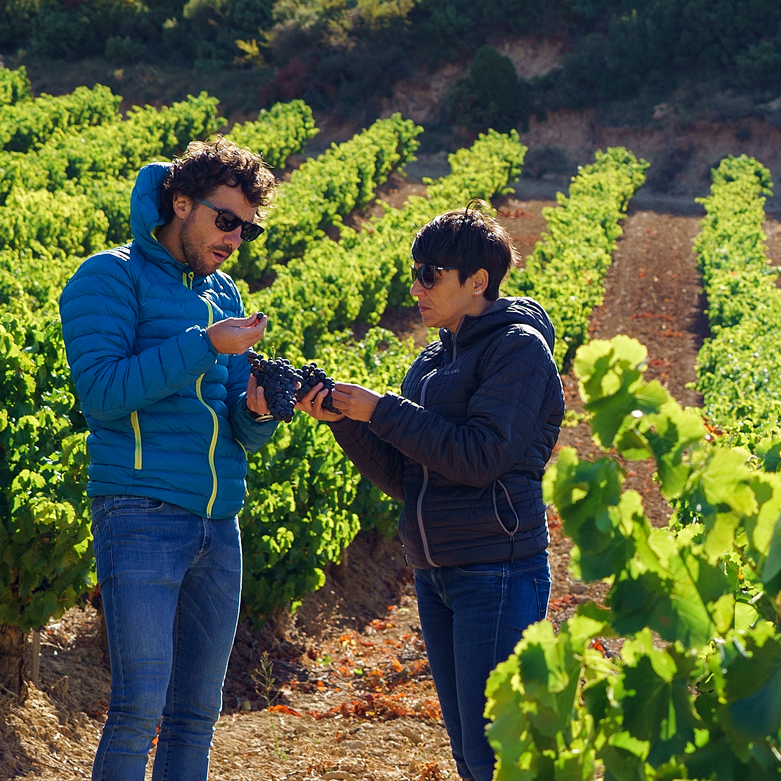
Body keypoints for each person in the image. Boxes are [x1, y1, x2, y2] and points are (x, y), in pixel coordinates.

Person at [297, 206, 563, 781]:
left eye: (430, 275)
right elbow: (404, 476)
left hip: (497, 569)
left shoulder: (517, 351)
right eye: (414, 272)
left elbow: (478, 457)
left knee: (497, 757)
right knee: (469, 755)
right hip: (438, 571)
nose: (415, 288)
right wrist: (345, 420)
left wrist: (383, 409)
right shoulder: (434, 358)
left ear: (477, 282)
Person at [59, 138, 281, 781]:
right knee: (138, 709)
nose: (236, 239)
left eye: (248, 227)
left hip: (219, 522)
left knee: (195, 717)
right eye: (226, 220)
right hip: (140, 510)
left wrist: (260, 412)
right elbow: (100, 394)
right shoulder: (109, 275)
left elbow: (236, 425)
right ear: (181, 203)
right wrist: (203, 344)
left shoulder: (226, 295)